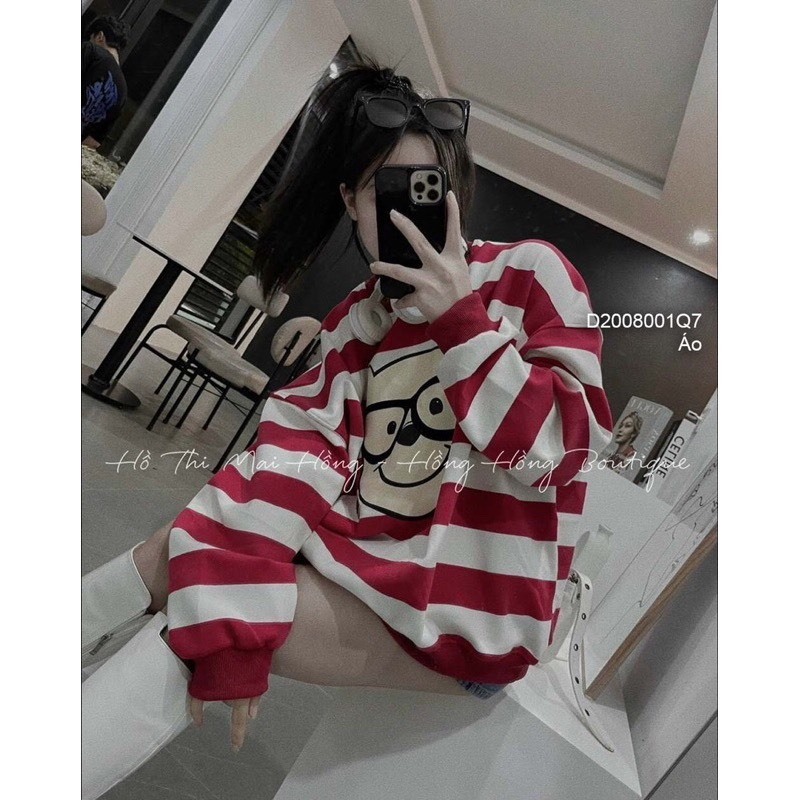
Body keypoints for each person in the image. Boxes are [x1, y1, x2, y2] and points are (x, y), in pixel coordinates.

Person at [81, 58, 614, 799]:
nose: (406, 212)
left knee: (207, 603)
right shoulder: (357, 324)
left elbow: (560, 454)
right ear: (351, 203)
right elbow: (293, 459)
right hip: (368, 559)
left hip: (476, 614)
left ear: (455, 194)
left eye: (428, 188)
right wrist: (232, 567)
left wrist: (462, 321)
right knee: (175, 551)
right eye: (382, 192)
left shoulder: (529, 276)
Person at [81, 16, 129, 149]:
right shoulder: (123, 92)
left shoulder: (90, 50)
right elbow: (93, 142)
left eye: (90, 38)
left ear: (99, 37)